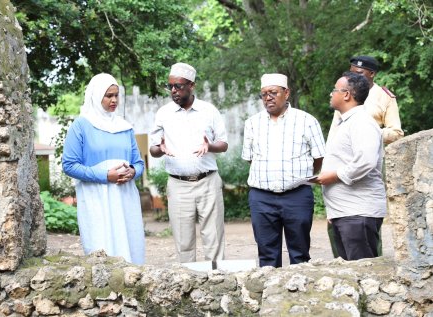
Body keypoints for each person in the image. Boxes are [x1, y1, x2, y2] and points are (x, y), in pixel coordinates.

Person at [241, 73, 325, 268]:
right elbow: (250, 159)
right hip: (262, 198)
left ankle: (300, 296)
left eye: (273, 92)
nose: (268, 97)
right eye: (263, 94)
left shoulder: (307, 121)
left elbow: (319, 157)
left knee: (300, 254)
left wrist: (299, 178)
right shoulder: (252, 123)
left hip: (297, 196)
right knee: (267, 255)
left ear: (286, 93)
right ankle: (269, 296)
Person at [62, 73, 145, 264]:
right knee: (102, 248)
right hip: (96, 198)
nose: (114, 100)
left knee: (130, 247)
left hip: (125, 198)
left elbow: (138, 163)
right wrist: (106, 175)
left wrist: (133, 171)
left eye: (117, 95)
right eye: (109, 96)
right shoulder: (81, 126)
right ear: (96, 95)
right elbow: (69, 165)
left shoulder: (125, 127)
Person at [149, 62, 228, 263]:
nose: (173, 91)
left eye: (178, 86)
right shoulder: (163, 113)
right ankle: (188, 288)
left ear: (191, 86)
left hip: (208, 182)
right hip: (178, 185)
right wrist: (160, 148)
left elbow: (223, 144)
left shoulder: (209, 111)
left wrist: (209, 146)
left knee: (214, 239)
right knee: (183, 242)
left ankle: (218, 286)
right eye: (170, 86)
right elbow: (153, 149)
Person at [327, 55, 404, 258]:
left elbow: (396, 132)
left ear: (372, 74)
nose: (354, 75)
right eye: (352, 71)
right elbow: (335, 134)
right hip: (342, 174)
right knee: (342, 243)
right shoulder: (342, 103)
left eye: (359, 73)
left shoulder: (383, 96)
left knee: (362, 244)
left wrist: (371, 135)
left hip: (366, 168)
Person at [315, 72, 386, 261]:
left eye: (334, 90)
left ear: (346, 94)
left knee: (364, 273)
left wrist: (334, 176)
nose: (331, 94)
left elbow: (366, 162)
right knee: (350, 273)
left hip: (358, 213)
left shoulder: (362, 122)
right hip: (345, 212)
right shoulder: (344, 122)